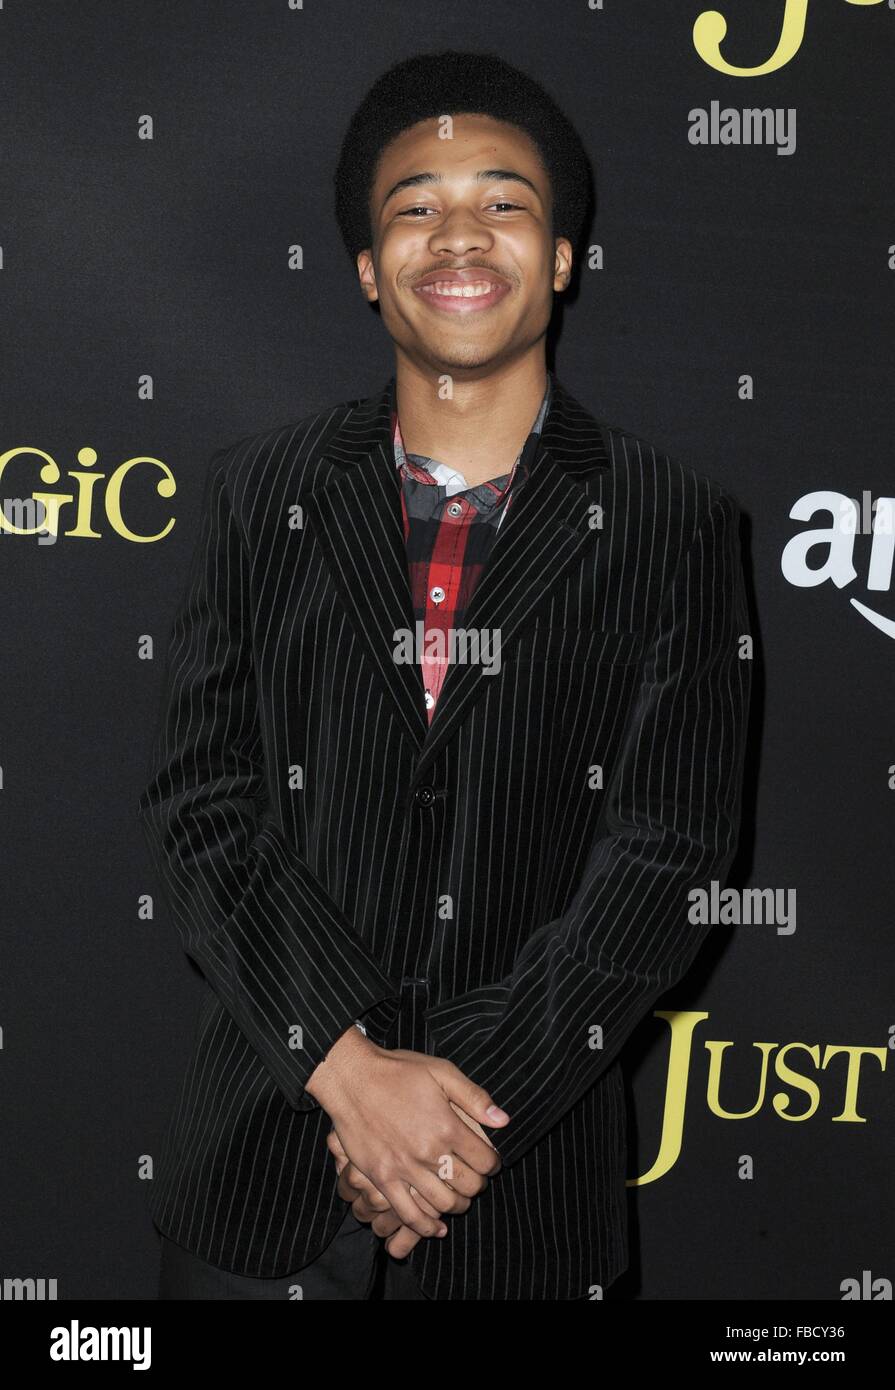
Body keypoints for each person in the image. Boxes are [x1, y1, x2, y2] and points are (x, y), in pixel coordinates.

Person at [139, 49, 752, 1301]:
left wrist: (453, 1121)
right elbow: (202, 807)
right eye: (414, 206)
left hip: (522, 1195)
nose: (456, 232)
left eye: (503, 200)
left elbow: (668, 858)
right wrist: (350, 1070)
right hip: (262, 1157)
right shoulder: (263, 494)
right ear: (367, 269)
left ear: (565, 254)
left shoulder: (674, 524)